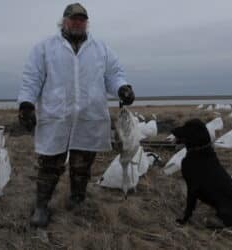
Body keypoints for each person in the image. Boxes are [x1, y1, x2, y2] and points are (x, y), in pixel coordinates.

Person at [17, 2, 135, 227]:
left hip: (88, 118)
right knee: (50, 164)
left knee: (82, 166)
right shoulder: (45, 48)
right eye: (73, 19)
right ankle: (41, 206)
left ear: (86, 23)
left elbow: (114, 74)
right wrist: (26, 104)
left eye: (82, 19)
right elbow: (31, 79)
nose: (78, 23)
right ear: (64, 21)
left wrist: (122, 87)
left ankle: (77, 200)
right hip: (57, 117)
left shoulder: (101, 49)